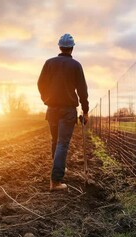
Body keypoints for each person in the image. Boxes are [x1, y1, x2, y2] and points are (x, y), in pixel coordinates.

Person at [37, 33, 89, 191]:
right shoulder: (76, 66)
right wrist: (85, 111)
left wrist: (46, 99)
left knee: (55, 141)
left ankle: (57, 168)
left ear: (59, 47)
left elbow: (40, 84)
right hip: (67, 110)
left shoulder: (49, 63)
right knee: (62, 143)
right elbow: (82, 91)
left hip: (52, 109)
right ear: (72, 48)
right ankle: (56, 180)